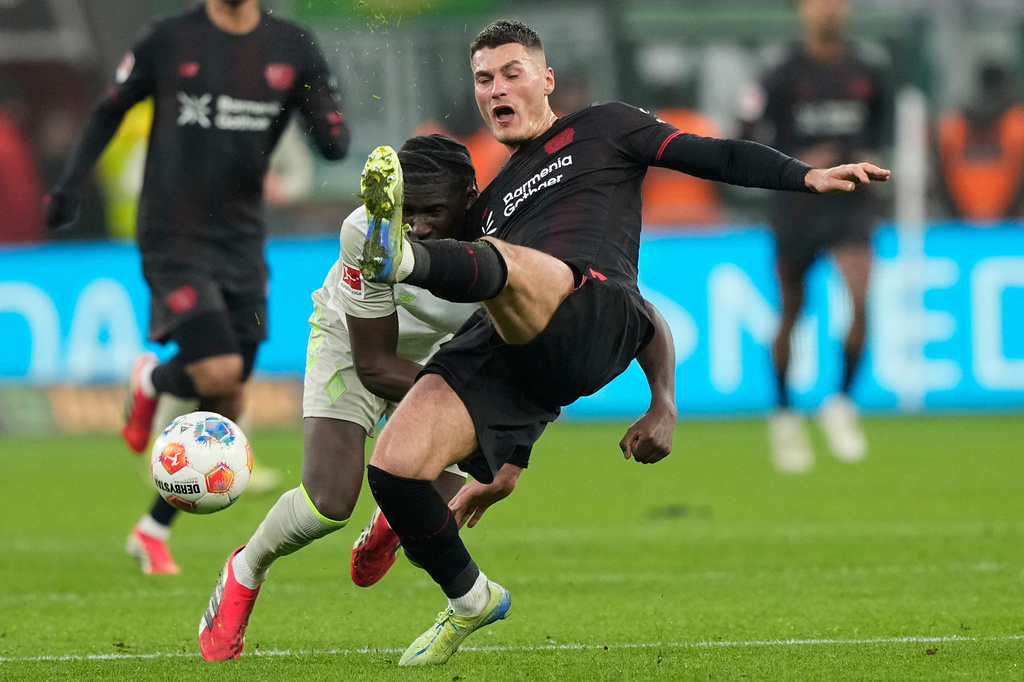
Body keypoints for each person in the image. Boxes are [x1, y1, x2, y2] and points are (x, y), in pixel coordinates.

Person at [355, 19, 889, 666]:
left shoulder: (605, 127)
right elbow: (528, 346)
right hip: (518, 347)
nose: (497, 88)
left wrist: (805, 176)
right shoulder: (488, 203)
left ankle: (401, 259)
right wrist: (511, 458)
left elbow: (711, 159)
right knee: (394, 465)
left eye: (511, 72)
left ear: (545, 79)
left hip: (596, 308)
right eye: (483, 79)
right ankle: (471, 598)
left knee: (496, 261)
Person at [195, 134, 678, 660]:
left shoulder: (507, 239)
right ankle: (245, 570)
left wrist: (661, 403)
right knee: (328, 502)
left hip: (451, 353)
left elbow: (626, 322)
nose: (418, 227)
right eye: (408, 212)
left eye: (434, 212)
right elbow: (376, 366)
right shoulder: (366, 231)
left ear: (471, 198)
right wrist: (475, 409)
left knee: (429, 493)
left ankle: (390, 517)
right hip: (354, 340)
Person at [43, 0, 350, 575]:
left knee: (228, 402)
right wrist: (68, 185)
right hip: (173, 233)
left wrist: (330, 120)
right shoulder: (170, 38)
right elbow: (110, 109)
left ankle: (152, 528)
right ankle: (154, 379)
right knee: (217, 370)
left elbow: (331, 139)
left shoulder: (293, 46)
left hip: (242, 240)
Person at [738, 0, 892, 473]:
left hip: (850, 205)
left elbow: (886, 132)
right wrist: (802, 160)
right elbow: (745, 133)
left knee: (863, 297)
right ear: (802, 10)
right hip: (797, 208)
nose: (829, 10)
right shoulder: (779, 73)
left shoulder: (869, 70)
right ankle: (784, 412)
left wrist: (867, 153)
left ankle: (841, 403)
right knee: (792, 310)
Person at [936, 62, 1024, 221]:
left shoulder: (953, 124)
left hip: (994, 223)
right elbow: (941, 174)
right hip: (974, 221)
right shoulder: (955, 125)